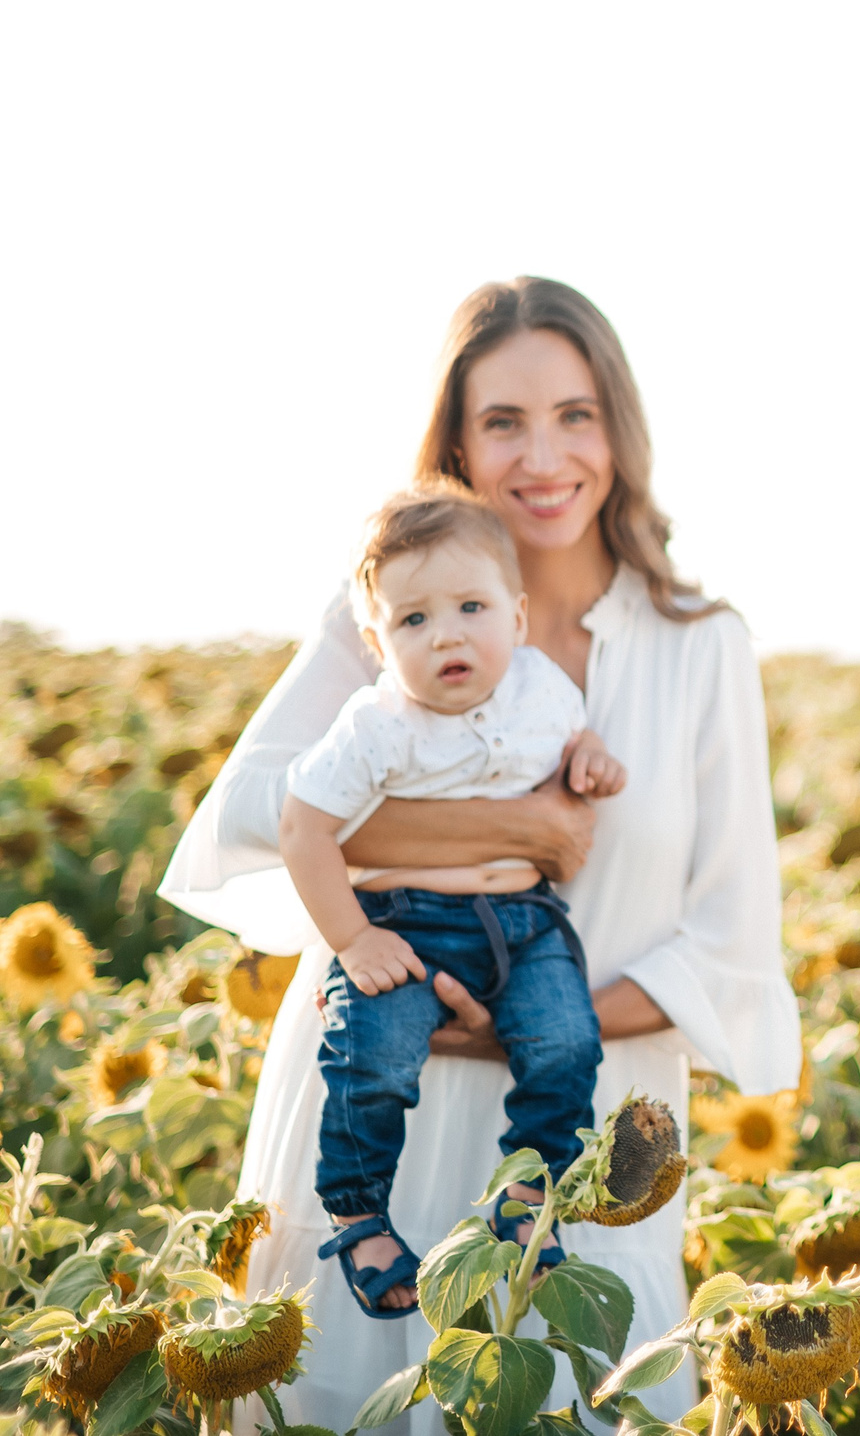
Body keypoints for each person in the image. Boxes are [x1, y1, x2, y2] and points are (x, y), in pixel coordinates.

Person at [160, 277, 799, 1431]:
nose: (543, 457)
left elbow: (730, 944)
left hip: (579, 1139)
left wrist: (523, 1020)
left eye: (574, 414)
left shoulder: (699, 645)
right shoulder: (394, 608)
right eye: (504, 420)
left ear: (618, 429)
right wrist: (523, 832)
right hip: (375, 1094)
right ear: (457, 442)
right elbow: (247, 810)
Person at [278, 484, 627, 1317]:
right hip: (403, 923)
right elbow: (301, 827)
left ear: (517, 615)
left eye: (471, 607)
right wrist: (352, 937)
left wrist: (590, 756)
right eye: (414, 619)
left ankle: (528, 1195)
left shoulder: (543, 686)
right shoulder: (376, 725)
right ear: (378, 643)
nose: (447, 634)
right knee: (372, 1058)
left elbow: (570, 738)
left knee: (566, 1044)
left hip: (526, 924)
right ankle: (357, 1211)